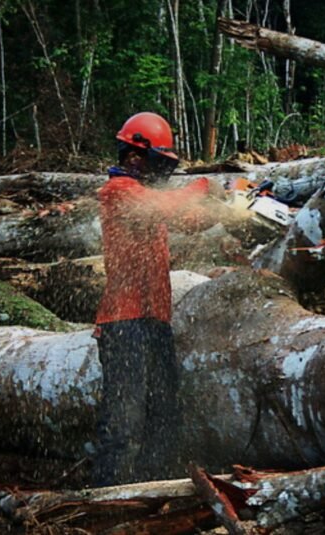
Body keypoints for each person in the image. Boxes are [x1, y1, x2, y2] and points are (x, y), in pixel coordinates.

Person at [92, 112, 232, 486]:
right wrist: (201, 186)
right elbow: (165, 207)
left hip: (155, 321)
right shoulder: (118, 192)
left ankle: (152, 493)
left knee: (164, 417)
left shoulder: (143, 196)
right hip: (125, 324)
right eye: (158, 163)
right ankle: (109, 497)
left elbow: (188, 220)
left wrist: (231, 208)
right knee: (125, 423)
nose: (160, 172)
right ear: (136, 155)